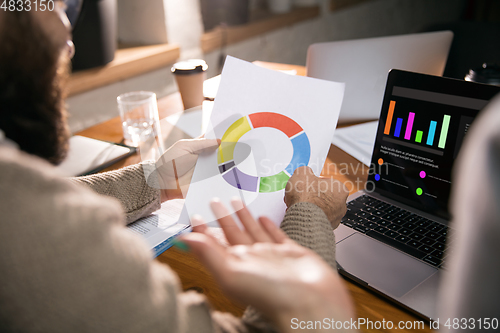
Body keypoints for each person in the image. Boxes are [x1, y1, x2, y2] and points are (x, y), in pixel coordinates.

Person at [0, 4, 353, 332]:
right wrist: (310, 221)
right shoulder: (27, 229)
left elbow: (53, 200)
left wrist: (154, 179)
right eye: (55, 5)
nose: (68, 34)